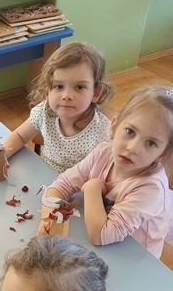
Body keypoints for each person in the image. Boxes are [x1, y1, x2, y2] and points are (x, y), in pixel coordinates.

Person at [38, 85, 173, 259]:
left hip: (134, 260)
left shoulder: (151, 189)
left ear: (162, 154)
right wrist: (49, 216)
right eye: (130, 132)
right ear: (114, 126)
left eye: (151, 143)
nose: (133, 148)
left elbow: (101, 235)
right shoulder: (103, 153)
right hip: (101, 246)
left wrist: (92, 187)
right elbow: (62, 184)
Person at [0, 42, 113, 176]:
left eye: (79, 87)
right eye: (59, 86)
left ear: (95, 93)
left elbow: (107, 174)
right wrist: (2, 154)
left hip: (80, 185)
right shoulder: (44, 112)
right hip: (45, 179)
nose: (66, 96)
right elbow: (20, 136)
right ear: (47, 91)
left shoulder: (104, 132)